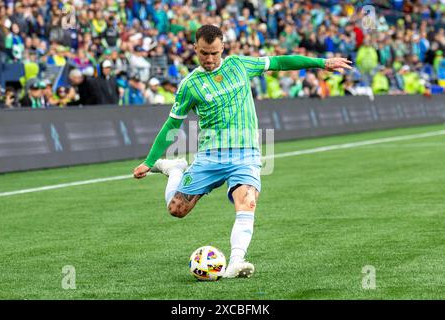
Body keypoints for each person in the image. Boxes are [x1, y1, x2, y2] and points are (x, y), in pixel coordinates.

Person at [133, 25, 352, 278]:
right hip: (210, 155)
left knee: (247, 202)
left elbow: (279, 62)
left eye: (214, 53)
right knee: (176, 209)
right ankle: (174, 170)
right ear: (195, 48)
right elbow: (172, 124)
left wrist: (321, 62)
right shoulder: (189, 85)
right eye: (204, 53)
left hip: (245, 153)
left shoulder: (239, 65)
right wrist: (150, 162)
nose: (210, 59)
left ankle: (236, 261)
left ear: (223, 47)